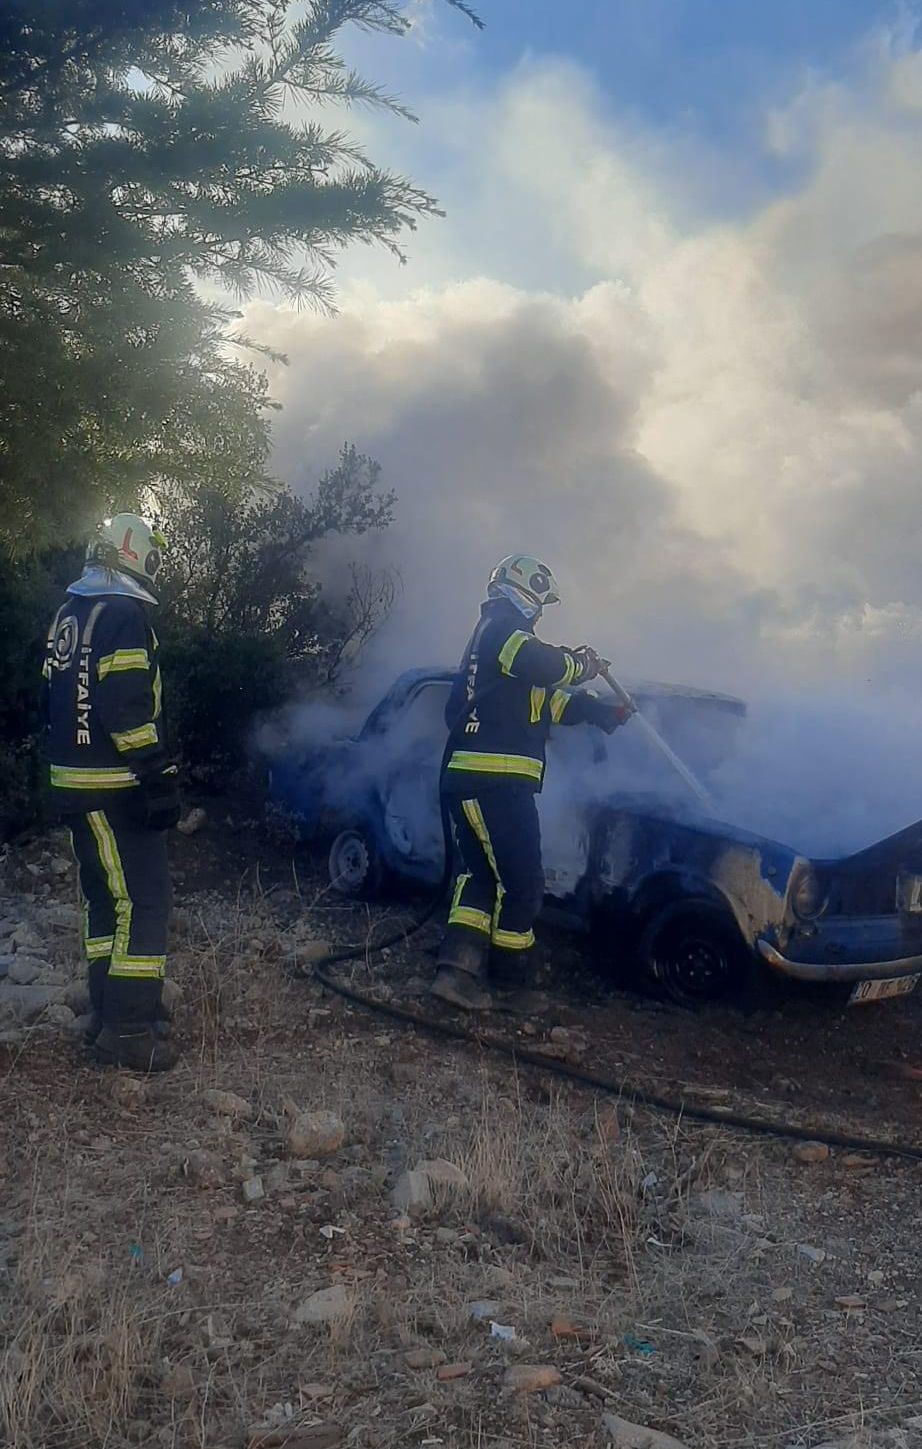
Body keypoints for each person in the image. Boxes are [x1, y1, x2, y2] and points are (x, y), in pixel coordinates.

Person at [432, 554, 635, 1011]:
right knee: (523, 882)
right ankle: (511, 984)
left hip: (476, 777)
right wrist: (580, 663)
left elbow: (547, 705)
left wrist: (600, 713)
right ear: (526, 591)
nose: (541, 613)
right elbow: (546, 666)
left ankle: (456, 971)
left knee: (480, 876)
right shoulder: (503, 629)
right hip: (495, 780)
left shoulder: (499, 645)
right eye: (541, 603)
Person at [43, 513, 181, 1071]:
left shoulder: (71, 613)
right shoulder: (125, 615)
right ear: (135, 554)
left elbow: (52, 698)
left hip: (72, 781)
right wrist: (156, 773)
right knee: (145, 901)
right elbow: (125, 703)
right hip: (114, 785)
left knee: (104, 900)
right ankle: (128, 1031)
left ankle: (109, 1009)